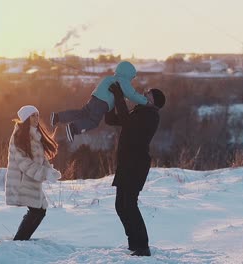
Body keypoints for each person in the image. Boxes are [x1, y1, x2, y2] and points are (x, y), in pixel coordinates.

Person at [105, 82, 165, 257]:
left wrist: (118, 96)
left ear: (154, 103)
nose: (144, 94)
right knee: (120, 205)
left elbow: (125, 121)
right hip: (126, 163)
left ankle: (143, 246)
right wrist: (110, 102)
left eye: (149, 94)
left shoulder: (150, 115)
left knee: (129, 205)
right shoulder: (138, 111)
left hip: (136, 165)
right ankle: (134, 243)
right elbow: (112, 120)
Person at [50, 61, 149, 142]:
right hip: (102, 103)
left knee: (82, 113)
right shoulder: (123, 81)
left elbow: (118, 93)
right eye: (131, 78)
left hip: (94, 99)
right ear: (128, 74)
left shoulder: (110, 78)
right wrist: (145, 101)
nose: (131, 81)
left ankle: (58, 117)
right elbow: (132, 94)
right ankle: (73, 128)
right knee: (93, 121)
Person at [5, 105, 62, 241]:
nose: (36, 118)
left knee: (40, 211)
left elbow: (41, 159)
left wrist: (50, 170)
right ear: (25, 118)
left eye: (37, 115)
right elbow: (24, 163)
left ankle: (22, 239)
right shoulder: (19, 137)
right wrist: (44, 173)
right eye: (33, 115)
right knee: (37, 210)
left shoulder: (35, 135)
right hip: (22, 181)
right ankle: (20, 240)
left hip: (32, 181)